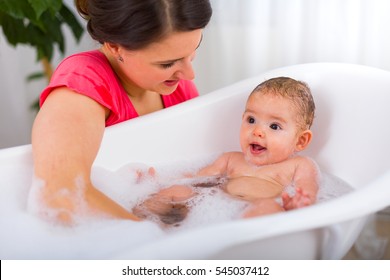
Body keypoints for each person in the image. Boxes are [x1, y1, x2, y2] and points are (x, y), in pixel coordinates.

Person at [29, 0, 212, 225]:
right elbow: (59, 195)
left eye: (193, 52)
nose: (189, 74)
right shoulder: (83, 84)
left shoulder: (175, 85)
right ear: (115, 46)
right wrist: (152, 241)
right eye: (167, 63)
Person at [133, 77, 319, 224]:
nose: (257, 131)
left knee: (267, 207)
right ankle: (138, 224)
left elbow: (307, 191)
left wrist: (298, 205)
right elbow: (196, 178)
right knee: (178, 191)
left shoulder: (299, 165)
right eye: (251, 120)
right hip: (217, 202)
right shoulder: (231, 159)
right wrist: (159, 182)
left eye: (274, 126)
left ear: (301, 141)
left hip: (257, 209)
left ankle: (239, 245)